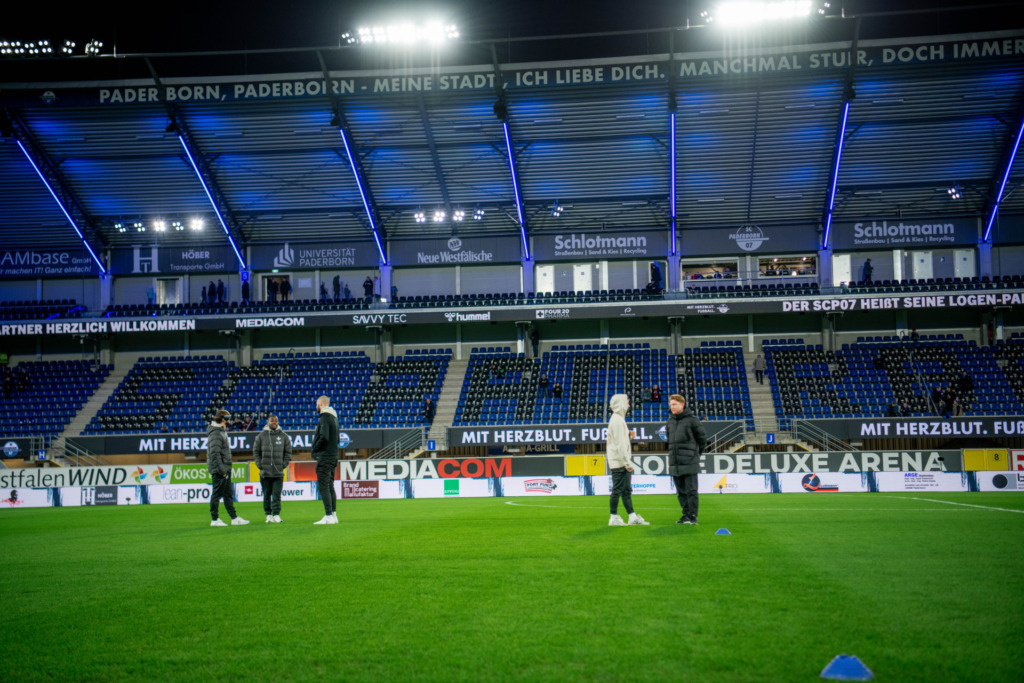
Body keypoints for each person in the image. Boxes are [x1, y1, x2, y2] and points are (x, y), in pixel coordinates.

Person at [606, 393, 648, 527]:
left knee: (625, 491)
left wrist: (628, 437)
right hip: (619, 462)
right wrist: (627, 463)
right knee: (618, 490)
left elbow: (620, 442)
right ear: (621, 404)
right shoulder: (618, 420)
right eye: (627, 402)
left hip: (619, 460)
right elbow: (619, 445)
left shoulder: (618, 419)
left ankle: (632, 516)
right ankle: (613, 517)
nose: (629, 405)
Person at [666, 394, 707, 525]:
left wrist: (695, 456)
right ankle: (686, 515)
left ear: (682, 405)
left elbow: (702, 440)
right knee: (681, 493)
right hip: (675, 463)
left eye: (675, 404)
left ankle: (693, 516)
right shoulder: (669, 422)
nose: (672, 407)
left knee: (691, 491)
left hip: (690, 462)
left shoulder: (693, 420)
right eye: (671, 405)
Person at [207, 409, 248, 527]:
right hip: (220, 470)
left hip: (223, 469)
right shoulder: (216, 433)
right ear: (223, 419)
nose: (230, 419)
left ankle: (234, 518)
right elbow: (215, 454)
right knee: (217, 494)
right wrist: (222, 470)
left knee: (228, 494)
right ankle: (214, 519)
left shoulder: (219, 432)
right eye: (228, 417)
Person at [253, 414, 292, 523]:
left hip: (278, 472)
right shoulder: (261, 436)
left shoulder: (284, 436)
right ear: (267, 422)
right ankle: (268, 514)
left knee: (276, 495)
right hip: (265, 472)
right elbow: (256, 452)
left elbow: (288, 453)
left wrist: (283, 465)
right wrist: (260, 465)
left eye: (276, 421)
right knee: (266, 495)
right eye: (272, 421)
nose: (274, 423)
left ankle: (276, 514)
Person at [312, 395, 340, 525]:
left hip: (325, 456)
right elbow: (338, 439)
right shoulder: (334, 418)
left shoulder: (324, 417)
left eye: (316, 404)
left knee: (323, 486)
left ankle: (328, 515)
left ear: (321, 404)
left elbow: (323, 436)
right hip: (333, 455)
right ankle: (333, 514)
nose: (316, 407)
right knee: (330, 486)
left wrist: (315, 449)